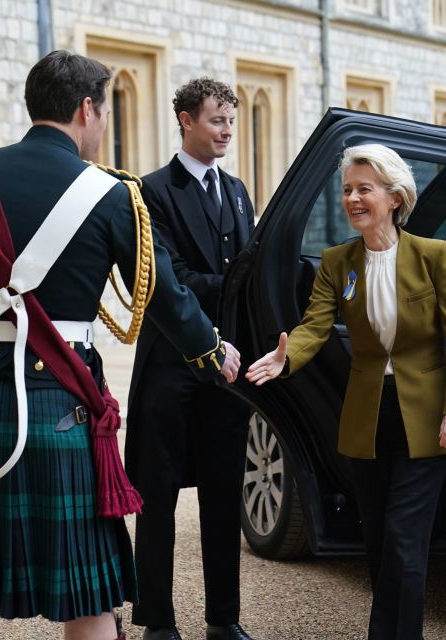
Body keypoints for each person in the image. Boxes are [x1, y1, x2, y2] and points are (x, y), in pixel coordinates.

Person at [0, 51, 240, 640]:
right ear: (86, 108)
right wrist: (212, 350)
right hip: (60, 404)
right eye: (105, 113)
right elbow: (165, 296)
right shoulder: (113, 196)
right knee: (88, 600)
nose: (104, 128)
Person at [246, 144, 446, 640]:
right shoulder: (338, 262)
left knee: (403, 541)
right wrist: (288, 356)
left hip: (429, 418)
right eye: (347, 189)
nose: (352, 198)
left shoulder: (434, 256)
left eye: (363, 189)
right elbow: (314, 325)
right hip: (370, 417)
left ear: (394, 198)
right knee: (377, 541)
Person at [124, 78, 256, 640]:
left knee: (226, 495)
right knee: (157, 500)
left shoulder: (241, 191)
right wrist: (234, 284)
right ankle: (157, 624)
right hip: (170, 367)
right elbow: (164, 279)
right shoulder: (150, 191)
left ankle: (224, 622)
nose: (227, 131)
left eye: (231, 121)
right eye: (216, 121)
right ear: (184, 120)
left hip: (227, 373)